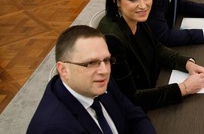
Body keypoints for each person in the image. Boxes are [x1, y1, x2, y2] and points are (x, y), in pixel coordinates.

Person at [98, 0, 204, 110]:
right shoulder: (111, 39)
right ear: (117, 1)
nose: (143, 5)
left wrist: (188, 64)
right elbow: (132, 98)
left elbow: (156, 48)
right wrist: (184, 88)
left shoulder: (136, 17)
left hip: (154, 86)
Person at [27, 25, 155, 133]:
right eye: (91, 63)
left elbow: (135, 117)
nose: (104, 71)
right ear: (63, 70)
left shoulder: (101, 82)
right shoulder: (54, 129)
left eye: (106, 60)